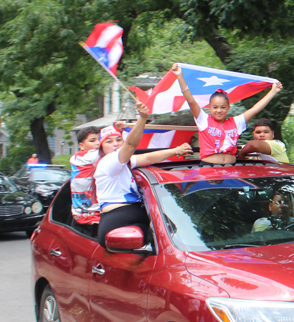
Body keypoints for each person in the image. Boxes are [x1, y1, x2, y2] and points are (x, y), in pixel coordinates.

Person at [94, 102, 193, 247]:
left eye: (118, 139)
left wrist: (176, 151)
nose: (115, 144)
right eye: (109, 141)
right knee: (174, 236)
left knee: (173, 235)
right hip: (118, 221)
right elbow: (130, 145)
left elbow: (147, 158)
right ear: (102, 148)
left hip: (131, 216)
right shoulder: (108, 161)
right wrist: (142, 118)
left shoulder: (124, 162)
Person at [171, 63, 282, 165]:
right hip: (209, 168)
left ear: (228, 108)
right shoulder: (204, 119)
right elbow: (191, 100)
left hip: (231, 168)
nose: (219, 110)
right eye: (215, 107)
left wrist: (273, 91)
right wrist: (180, 76)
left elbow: (255, 109)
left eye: (223, 107)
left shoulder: (235, 122)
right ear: (209, 107)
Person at [70, 126, 101, 224]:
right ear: (81, 145)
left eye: (100, 139)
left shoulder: (76, 157)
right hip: (93, 214)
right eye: (93, 140)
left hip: (78, 213)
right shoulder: (93, 156)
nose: (98, 143)